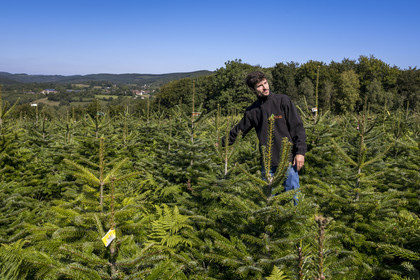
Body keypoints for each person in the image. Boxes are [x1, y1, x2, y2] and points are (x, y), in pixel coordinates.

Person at [222, 71, 306, 196]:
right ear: (253, 89)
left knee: (293, 197)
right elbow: (239, 131)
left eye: (265, 83)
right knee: (269, 201)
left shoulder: (283, 101)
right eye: (260, 86)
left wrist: (300, 152)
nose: (265, 87)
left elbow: (297, 127)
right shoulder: (253, 111)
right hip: (268, 165)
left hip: (288, 161)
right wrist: (221, 143)